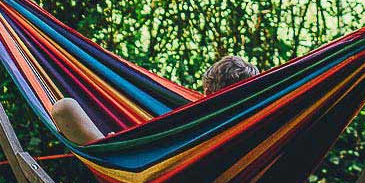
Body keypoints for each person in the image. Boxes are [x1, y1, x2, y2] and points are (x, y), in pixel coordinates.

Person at [48, 54, 260, 144]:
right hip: (160, 172)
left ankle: (105, 151)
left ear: (207, 92)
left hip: (150, 176)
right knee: (64, 108)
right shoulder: (256, 121)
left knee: (64, 107)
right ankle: (106, 150)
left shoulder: (199, 117)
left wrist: (122, 145)